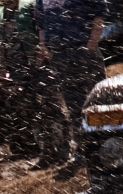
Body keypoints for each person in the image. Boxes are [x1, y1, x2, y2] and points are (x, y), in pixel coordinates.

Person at [0, 0, 70, 165]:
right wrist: (1, 68)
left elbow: (43, 30)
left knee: (52, 106)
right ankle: (46, 152)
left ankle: (64, 148)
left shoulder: (29, 6)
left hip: (39, 65)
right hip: (17, 71)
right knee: (32, 112)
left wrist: (42, 51)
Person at [36, 0, 107, 169]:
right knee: (74, 107)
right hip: (60, 56)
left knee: (100, 101)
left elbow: (98, 17)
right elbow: (42, 26)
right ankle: (83, 151)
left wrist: (90, 46)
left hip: (84, 49)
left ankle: (110, 145)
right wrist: (44, 47)